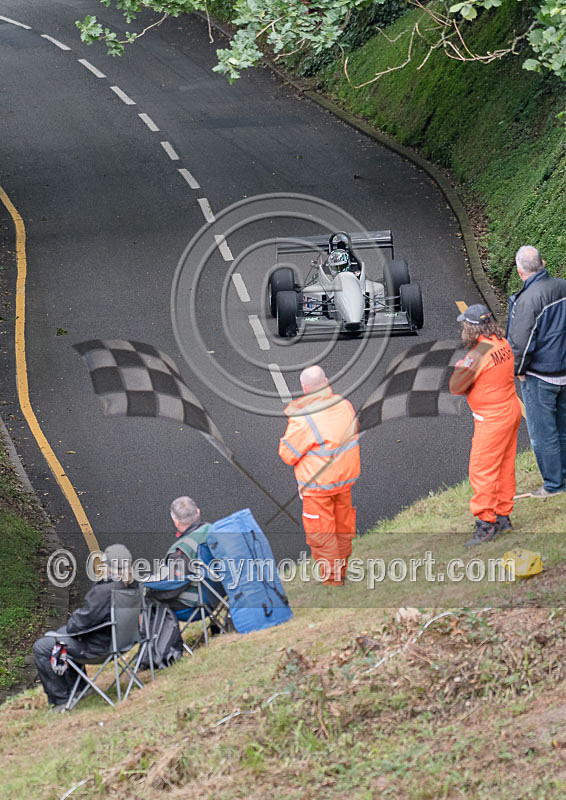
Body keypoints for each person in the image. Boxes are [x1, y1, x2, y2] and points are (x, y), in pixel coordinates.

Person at [278, 365, 360, 585]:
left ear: (305, 388)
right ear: (326, 381)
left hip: (318, 487)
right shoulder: (344, 405)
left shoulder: (304, 418)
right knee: (343, 528)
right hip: (344, 481)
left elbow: (288, 454)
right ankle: (341, 570)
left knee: (322, 534)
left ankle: (332, 581)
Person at [449, 304, 522, 546]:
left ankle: (486, 522)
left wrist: (461, 367)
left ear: (471, 327)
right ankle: (503, 515)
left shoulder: (477, 354)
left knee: (482, 470)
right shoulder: (503, 343)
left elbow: (456, 386)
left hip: (491, 419)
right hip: (510, 411)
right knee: (504, 466)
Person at [33, 544, 137, 711]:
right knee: (62, 635)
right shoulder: (133, 585)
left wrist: (71, 623)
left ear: (108, 567)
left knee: (43, 646)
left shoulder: (105, 590)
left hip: (99, 648)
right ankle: (82, 688)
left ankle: (61, 700)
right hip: (123, 642)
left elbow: (78, 625)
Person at [506, 245, 566, 497]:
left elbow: (521, 341)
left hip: (541, 375)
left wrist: (517, 370)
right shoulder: (562, 286)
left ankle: (554, 485)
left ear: (520, 272)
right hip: (564, 369)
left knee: (543, 434)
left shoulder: (528, 299)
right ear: (543, 262)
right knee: (563, 428)